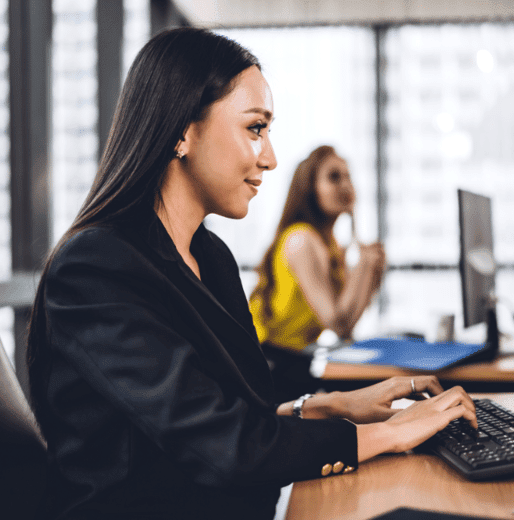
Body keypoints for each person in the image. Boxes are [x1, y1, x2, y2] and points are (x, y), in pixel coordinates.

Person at [27, 28, 477, 520]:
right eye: (255, 128)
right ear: (182, 131)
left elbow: (234, 418)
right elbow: (227, 446)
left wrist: (329, 407)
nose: (271, 157)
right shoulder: (95, 267)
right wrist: (390, 432)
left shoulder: (210, 256)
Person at [249, 145, 385, 401]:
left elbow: (347, 328)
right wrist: (362, 268)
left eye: (348, 176)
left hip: (294, 359)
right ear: (310, 188)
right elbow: (336, 320)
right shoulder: (301, 239)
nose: (346, 185)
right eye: (334, 177)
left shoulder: (330, 244)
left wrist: (370, 274)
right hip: (268, 364)